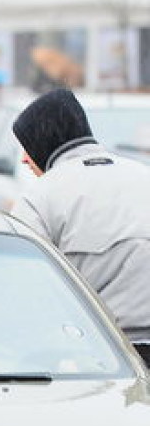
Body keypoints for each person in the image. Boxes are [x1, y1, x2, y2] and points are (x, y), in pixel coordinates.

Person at [10, 88, 150, 364]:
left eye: (27, 145)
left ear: (43, 141)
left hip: (100, 356)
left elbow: (22, 290)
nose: (25, 158)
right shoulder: (144, 175)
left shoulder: (40, 198)